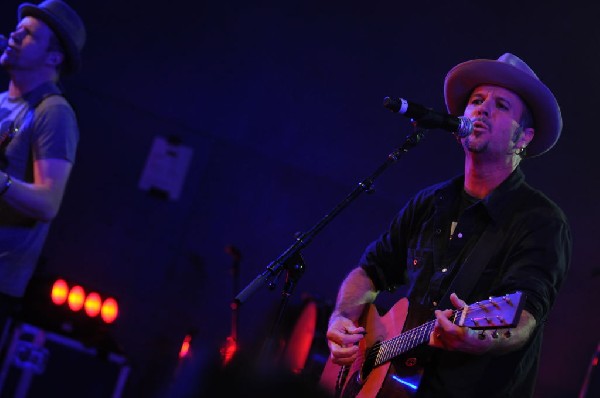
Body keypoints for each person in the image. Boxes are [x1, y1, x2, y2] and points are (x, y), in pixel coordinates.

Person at [325, 53, 571, 397]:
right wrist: (342, 319)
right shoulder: (429, 202)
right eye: (476, 101)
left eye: (501, 105)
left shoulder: (541, 221)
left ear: (523, 138)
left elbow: (525, 314)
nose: (482, 110)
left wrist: (478, 341)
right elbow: (370, 271)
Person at [0, 0, 85, 335]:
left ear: (54, 57)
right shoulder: (3, 101)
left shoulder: (54, 113)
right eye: (16, 29)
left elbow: (49, 202)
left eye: (29, 35)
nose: (14, 36)